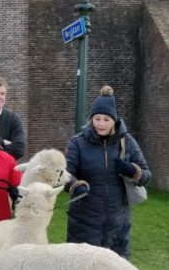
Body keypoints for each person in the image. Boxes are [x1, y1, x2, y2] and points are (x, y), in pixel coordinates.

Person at [65, 86, 151, 259]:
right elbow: (65, 173)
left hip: (118, 223)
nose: (101, 124)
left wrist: (132, 171)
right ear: (91, 119)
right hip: (84, 221)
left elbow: (147, 176)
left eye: (106, 119)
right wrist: (76, 185)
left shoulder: (128, 142)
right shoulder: (77, 143)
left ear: (114, 121)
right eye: (97, 119)